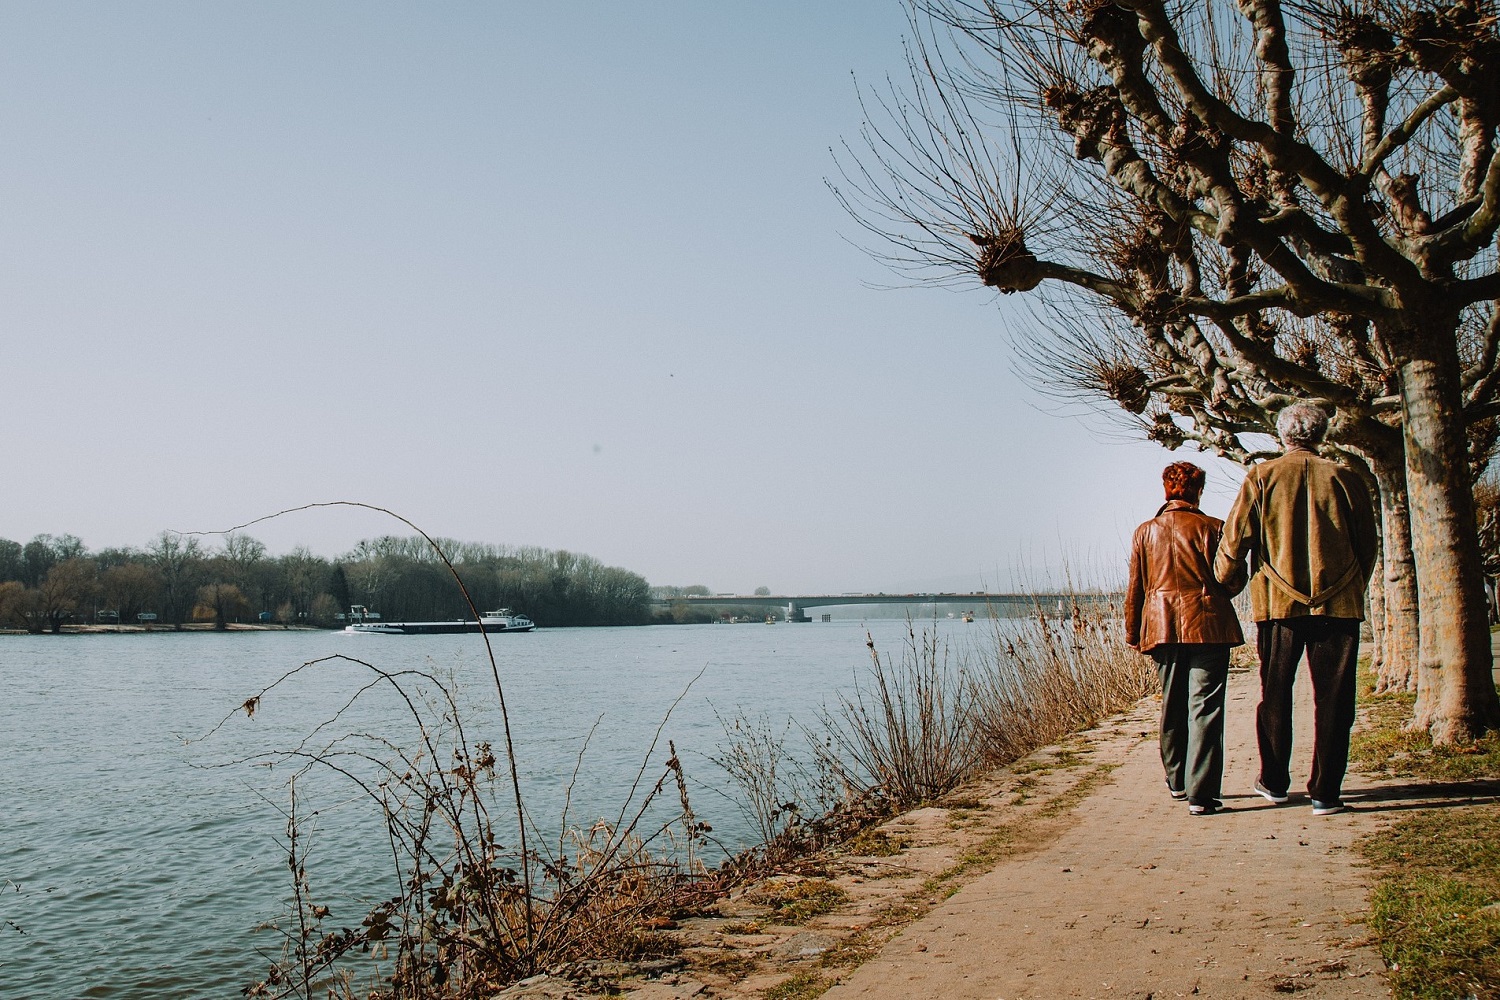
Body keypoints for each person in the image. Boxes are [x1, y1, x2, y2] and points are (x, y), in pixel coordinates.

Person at [1214, 403, 1377, 816]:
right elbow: (1368, 547)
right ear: (1321, 434)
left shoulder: (1261, 477)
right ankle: (1326, 792)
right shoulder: (1346, 477)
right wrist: (1351, 586)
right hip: (1339, 607)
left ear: (1283, 434)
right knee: (1336, 700)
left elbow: (1234, 543)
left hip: (1277, 605)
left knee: (1275, 695)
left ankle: (1274, 782)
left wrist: (1226, 583)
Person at [1126, 461, 1245, 815]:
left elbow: (1135, 588)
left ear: (1166, 489)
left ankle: (1177, 780)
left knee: (1172, 704)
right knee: (1205, 708)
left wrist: (1133, 631)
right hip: (1209, 626)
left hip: (1161, 627)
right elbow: (1233, 580)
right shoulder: (1214, 528)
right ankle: (1202, 795)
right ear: (1199, 491)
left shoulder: (1145, 532)